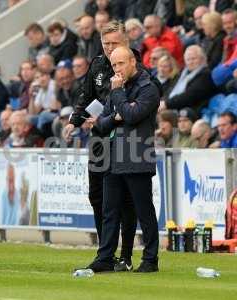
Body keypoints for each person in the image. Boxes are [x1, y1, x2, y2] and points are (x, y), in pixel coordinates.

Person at [64, 21, 137, 272]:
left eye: (114, 43)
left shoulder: (134, 64)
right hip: (98, 138)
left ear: (125, 42)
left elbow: (136, 101)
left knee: (125, 199)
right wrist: (74, 121)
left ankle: (126, 255)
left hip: (124, 138)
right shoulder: (96, 64)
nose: (108, 48)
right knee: (97, 196)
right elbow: (85, 95)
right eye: (105, 43)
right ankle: (106, 253)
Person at [86, 46, 160, 273]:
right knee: (109, 211)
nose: (116, 69)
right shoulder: (119, 87)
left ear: (132, 62)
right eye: (114, 65)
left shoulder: (148, 88)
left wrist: (119, 104)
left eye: (120, 64)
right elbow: (100, 124)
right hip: (114, 156)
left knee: (143, 211)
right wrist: (119, 114)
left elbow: (131, 115)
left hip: (137, 155)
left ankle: (150, 260)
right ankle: (105, 257)